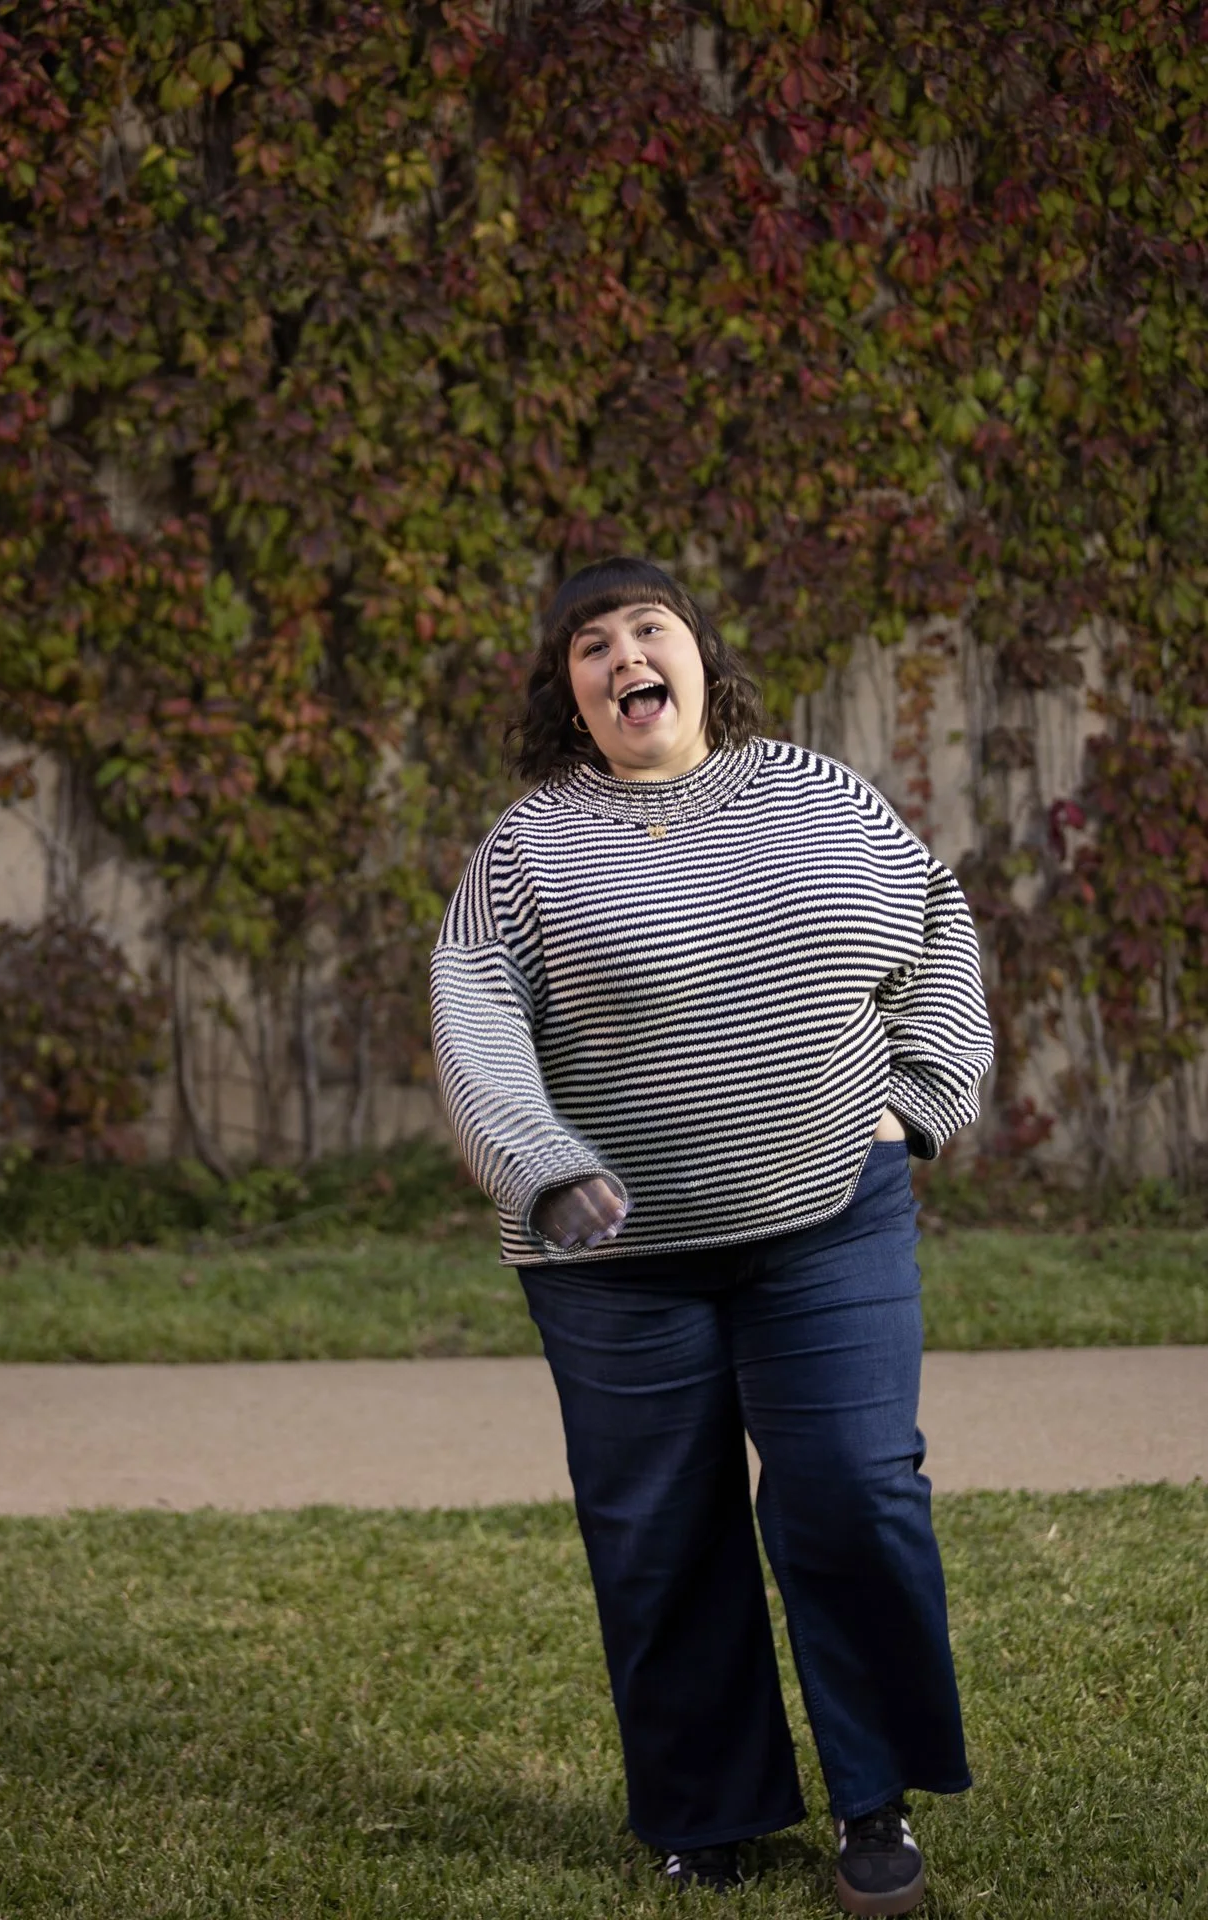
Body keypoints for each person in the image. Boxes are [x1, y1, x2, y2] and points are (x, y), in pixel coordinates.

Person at [429, 555, 994, 1917]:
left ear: (696, 658)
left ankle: (876, 1795)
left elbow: (939, 921)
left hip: (827, 1219)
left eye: (647, 629)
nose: (623, 656)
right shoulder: (527, 850)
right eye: (589, 645)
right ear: (570, 693)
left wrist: (920, 1097)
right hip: (613, 1257)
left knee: (855, 1488)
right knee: (660, 1528)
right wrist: (543, 1163)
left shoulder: (821, 796)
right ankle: (706, 1809)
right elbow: (476, 1010)